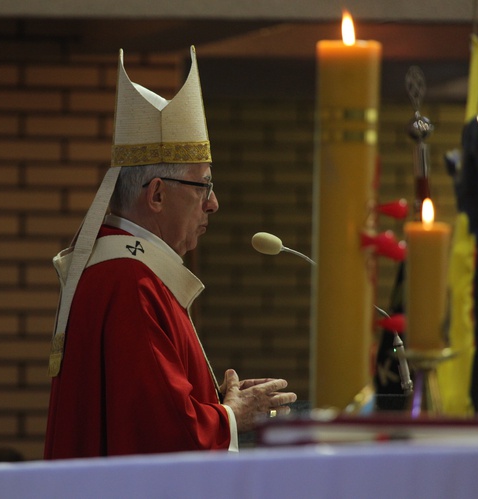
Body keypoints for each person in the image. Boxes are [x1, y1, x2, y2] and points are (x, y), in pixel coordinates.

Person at [43, 46, 296, 459]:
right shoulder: (131, 285)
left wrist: (218, 402)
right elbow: (162, 435)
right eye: (204, 186)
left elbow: (141, 413)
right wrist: (232, 416)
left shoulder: (128, 273)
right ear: (157, 194)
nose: (213, 203)